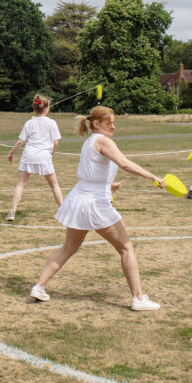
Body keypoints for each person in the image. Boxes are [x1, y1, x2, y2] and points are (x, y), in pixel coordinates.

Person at [30, 106, 166, 311]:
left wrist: (109, 185)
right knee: (126, 248)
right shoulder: (103, 141)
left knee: (68, 247)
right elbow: (124, 163)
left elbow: (90, 173)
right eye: (109, 122)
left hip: (80, 199)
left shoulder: (89, 142)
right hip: (95, 204)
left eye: (114, 122)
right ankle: (138, 298)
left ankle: (39, 287)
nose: (113, 126)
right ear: (96, 124)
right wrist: (154, 177)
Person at [5, 93, 65, 221]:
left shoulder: (29, 123)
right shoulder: (51, 123)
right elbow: (55, 143)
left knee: (20, 185)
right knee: (54, 185)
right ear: (46, 108)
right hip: (44, 157)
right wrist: (51, 154)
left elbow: (21, 141)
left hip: (29, 156)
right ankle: (64, 211)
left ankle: (12, 212)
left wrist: (11, 153)